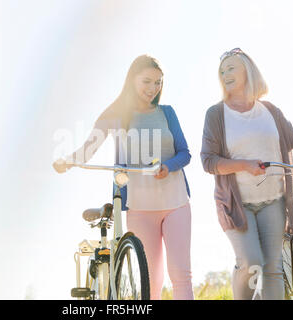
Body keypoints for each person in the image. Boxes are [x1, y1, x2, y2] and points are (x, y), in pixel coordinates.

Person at [53, 55, 194, 300]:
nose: (153, 89)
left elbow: (184, 153)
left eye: (158, 83)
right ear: (132, 81)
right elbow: (88, 149)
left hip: (176, 202)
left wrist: (167, 166)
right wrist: (68, 160)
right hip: (139, 207)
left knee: (181, 275)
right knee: (152, 281)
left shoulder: (167, 113)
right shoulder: (116, 116)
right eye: (147, 82)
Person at [201, 47, 293, 300]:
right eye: (222, 70)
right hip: (238, 204)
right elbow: (208, 161)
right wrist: (244, 164)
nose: (225, 73)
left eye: (231, 68)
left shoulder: (270, 111)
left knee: (273, 267)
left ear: (247, 71)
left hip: (274, 200)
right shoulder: (216, 114)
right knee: (251, 263)